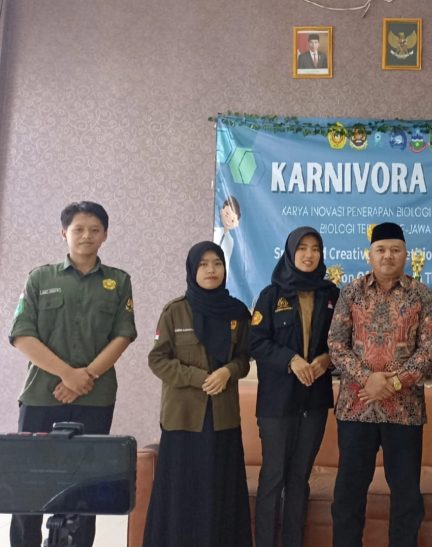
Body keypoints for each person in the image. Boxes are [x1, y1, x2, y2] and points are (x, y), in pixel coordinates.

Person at [7, 201, 137, 547]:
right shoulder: (40, 278)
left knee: (84, 487)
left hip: (95, 398)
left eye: (95, 229)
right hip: (41, 396)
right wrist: (67, 374)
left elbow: (123, 335)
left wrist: (85, 377)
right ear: (63, 233)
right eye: (78, 229)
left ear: (105, 235)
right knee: (29, 486)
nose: (86, 236)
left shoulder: (118, 281)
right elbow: (21, 335)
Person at [328, 222, 432, 547]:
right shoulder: (351, 293)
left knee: (406, 498)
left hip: (404, 411)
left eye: (394, 249)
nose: (387, 255)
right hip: (356, 408)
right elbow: (336, 344)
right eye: (381, 250)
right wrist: (368, 379)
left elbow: (427, 350)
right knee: (348, 495)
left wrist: (393, 382)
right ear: (369, 255)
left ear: (406, 254)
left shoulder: (422, 295)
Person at [143, 241, 252, 547]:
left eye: (217, 263)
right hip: (183, 418)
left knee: (220, 491)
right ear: (192, 269)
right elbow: (157, 360)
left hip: (222, 418)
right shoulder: (175, 311)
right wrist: (198, 378)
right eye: (203, 264)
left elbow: (244, 358)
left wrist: (228, 371)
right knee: (181, 492)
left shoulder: (237, 312)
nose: (211, 270)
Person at [249, 227, 340, 547]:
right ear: (290, 253)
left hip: (314, 402)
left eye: (315, 248)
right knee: (273, 477)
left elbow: (345, 341)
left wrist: (327, 360)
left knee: (300, 478)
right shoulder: (271, 295)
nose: (309, 254)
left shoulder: (332, 295)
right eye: (302, 248)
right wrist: (291, 360)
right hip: (277, 403)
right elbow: (255, 342)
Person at [213, 195, 241, 273]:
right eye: (226, 214)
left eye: (232, 220)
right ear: (221, 211)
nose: (228, 221)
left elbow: (227, 263)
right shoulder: (215, 231)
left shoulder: (231, 240)